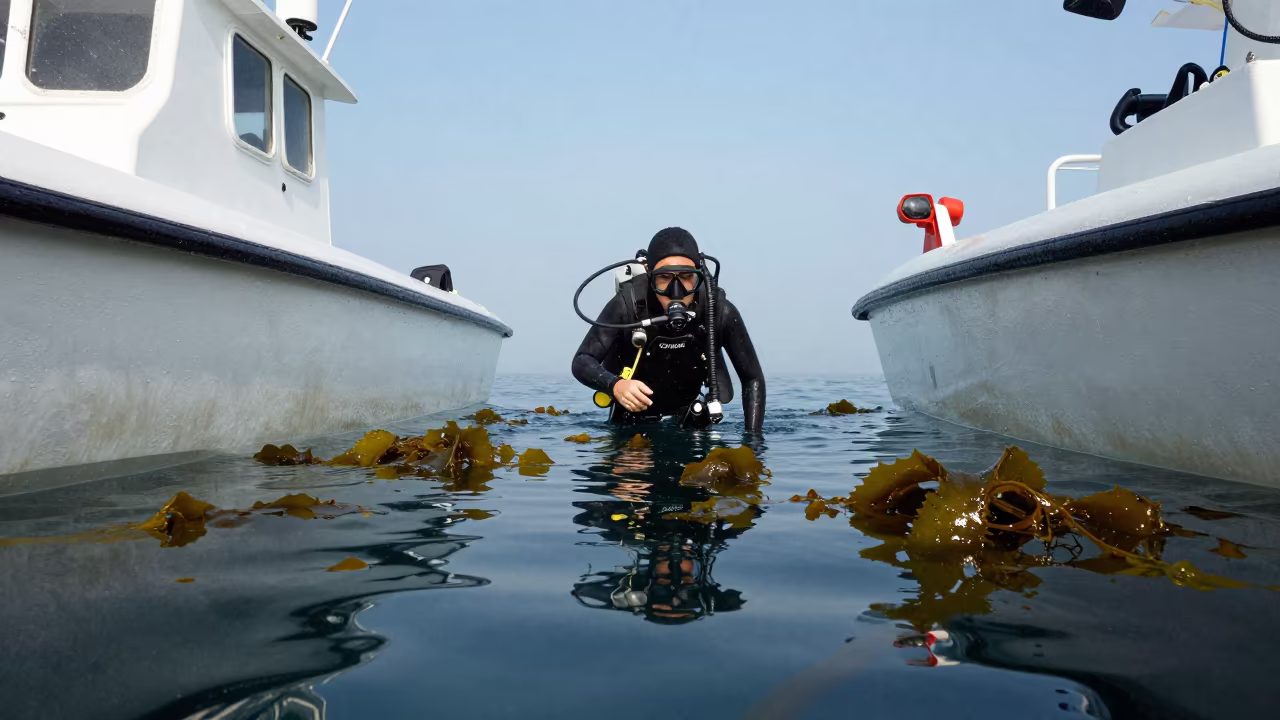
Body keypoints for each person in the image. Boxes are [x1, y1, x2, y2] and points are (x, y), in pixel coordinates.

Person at [571, 227, 766, 432]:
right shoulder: (627, 305)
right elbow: (582, 360)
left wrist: (753, 445)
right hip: (630, 421)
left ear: (698, 276)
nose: (676, 292)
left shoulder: (717, 310)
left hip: (690, 418)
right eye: (663, 278)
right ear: (650, 276)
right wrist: (615, 385)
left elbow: (752, 378)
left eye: (686, 277)